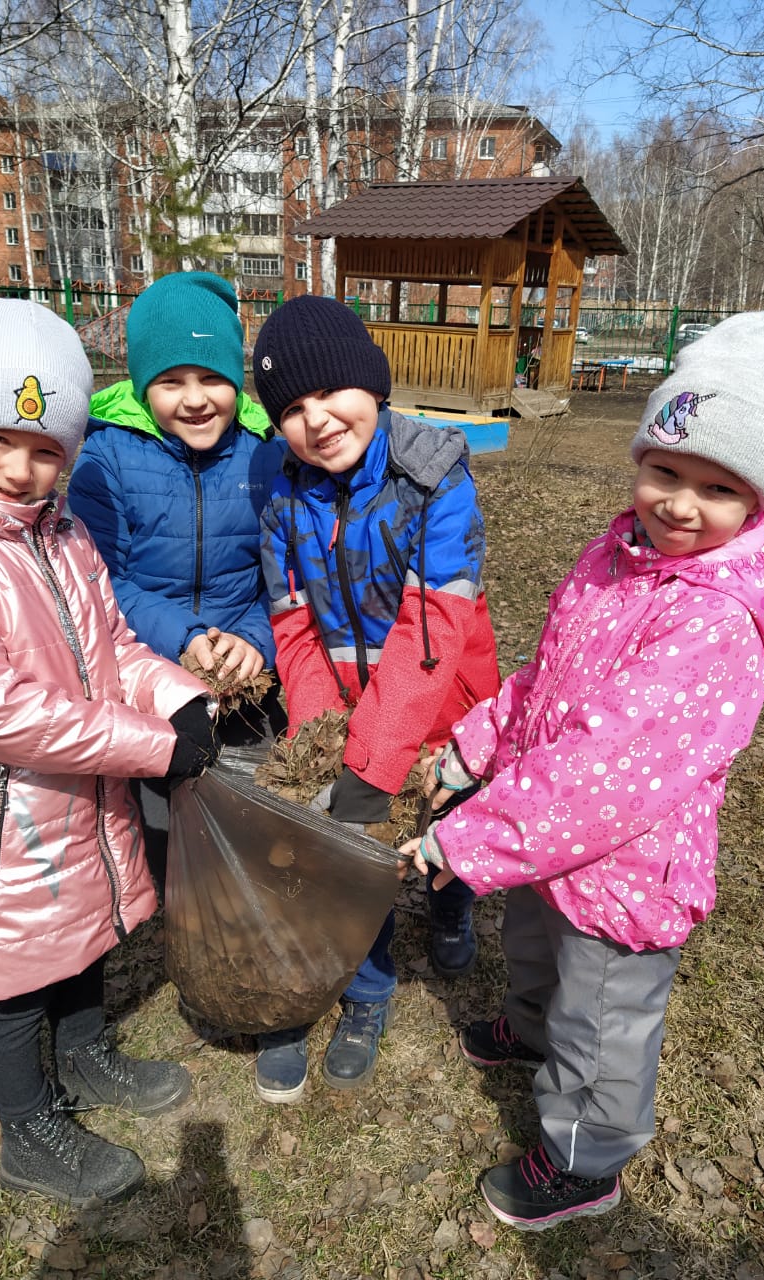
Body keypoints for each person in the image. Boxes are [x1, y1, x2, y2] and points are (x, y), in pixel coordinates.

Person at [399, 307, 764, 1231]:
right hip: (550, 845)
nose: (678, 503)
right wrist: (481, 741)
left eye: (717, 487)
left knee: (601, 1023)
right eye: (664, 470)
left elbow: (603, 772)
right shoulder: (617, 557)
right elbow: (551, 678)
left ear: (760, 499)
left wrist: (467, 835)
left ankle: (585, 1160)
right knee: (535, 947)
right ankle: (525, 1026)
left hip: (624, 868)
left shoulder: (714, 623)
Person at [0, 299, 222, 1207]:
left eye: (48, 448)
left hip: (79, 789)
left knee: (83, 938)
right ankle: (28, 1130)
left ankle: (86, 1058)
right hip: (1, 815)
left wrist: (182, 699)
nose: (22, 467)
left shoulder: (61, 532)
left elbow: (114, 644)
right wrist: (153, 747)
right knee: (10, 981)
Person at [252, 295, 500, 1102]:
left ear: (373, 381)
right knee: (359, 847)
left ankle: (454, 904)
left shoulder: (435, 477)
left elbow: (432, 629)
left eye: (330, 393)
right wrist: (330, 737)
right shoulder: (285, 498)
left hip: (442, 700)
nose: (316, 420)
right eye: (291, 408)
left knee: (444, 822)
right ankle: (368, 992)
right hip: (355, 706)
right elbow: (292, 625)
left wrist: (379, 755)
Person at [67, 271, 287, 899]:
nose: (194, 399)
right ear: (142, 385)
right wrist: (184, 637)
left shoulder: (263, 456)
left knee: (248, 812)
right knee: (166, 824)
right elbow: (101, 584)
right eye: (170, 381)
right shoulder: (106, 459)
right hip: (149, 672)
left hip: (243, 679)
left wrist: (254, 640)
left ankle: (244, 910)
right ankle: (183, 914)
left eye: (212, 377)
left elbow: (281, 576)